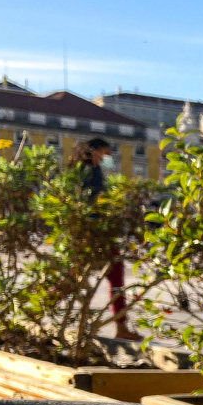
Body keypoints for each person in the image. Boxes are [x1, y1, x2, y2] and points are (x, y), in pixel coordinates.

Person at [69, 137, 140, 341]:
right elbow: (91, 204)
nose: (109, 158)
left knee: (76, 276)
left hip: (94, 232)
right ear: (95, 152)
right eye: (106, 153)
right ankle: (121, 326)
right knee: (110, 276)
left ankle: (39, 309)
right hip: (95, 233)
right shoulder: (89, 174)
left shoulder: (92, 171)